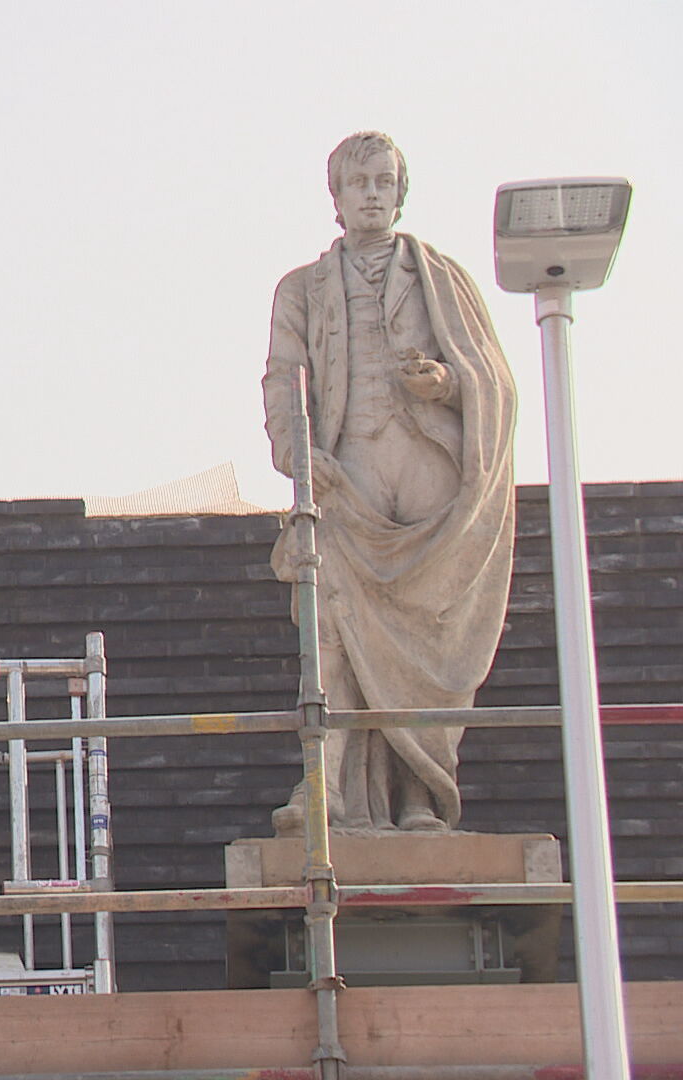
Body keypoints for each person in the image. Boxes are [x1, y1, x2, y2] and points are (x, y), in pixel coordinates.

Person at [262, 132, 516, 835]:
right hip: (352, 471)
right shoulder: (302, 290)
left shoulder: (444, 279)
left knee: (428, 636)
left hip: (428, 470)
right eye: (358, 183)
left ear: (400, 192)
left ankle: (419, 796)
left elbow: (495, 380)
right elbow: (283, 379)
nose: (372, 193)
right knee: (333, 620)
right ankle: (327, 785)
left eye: (384, 181)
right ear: (337, 200)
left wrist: (447, 382)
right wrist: (300, 453)